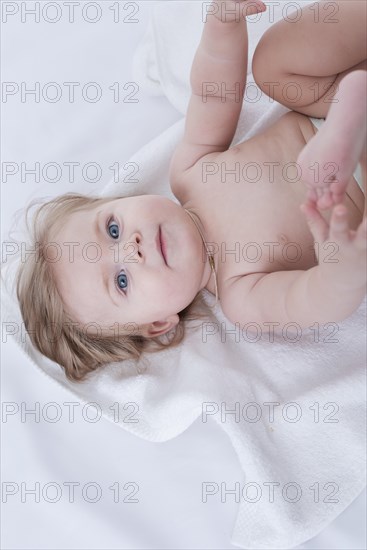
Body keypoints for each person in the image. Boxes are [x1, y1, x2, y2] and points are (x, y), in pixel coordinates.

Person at [14, 0, 366, 382]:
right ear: (158, 324)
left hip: (328, 108)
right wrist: (340, 264)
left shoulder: (190, 173)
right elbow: (313, 300)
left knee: (274, 64)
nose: (131, 247)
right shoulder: (242, 294)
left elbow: (214, 94)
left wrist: (222, 27)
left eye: (112, 229)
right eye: (122, 281)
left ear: (123, 201)